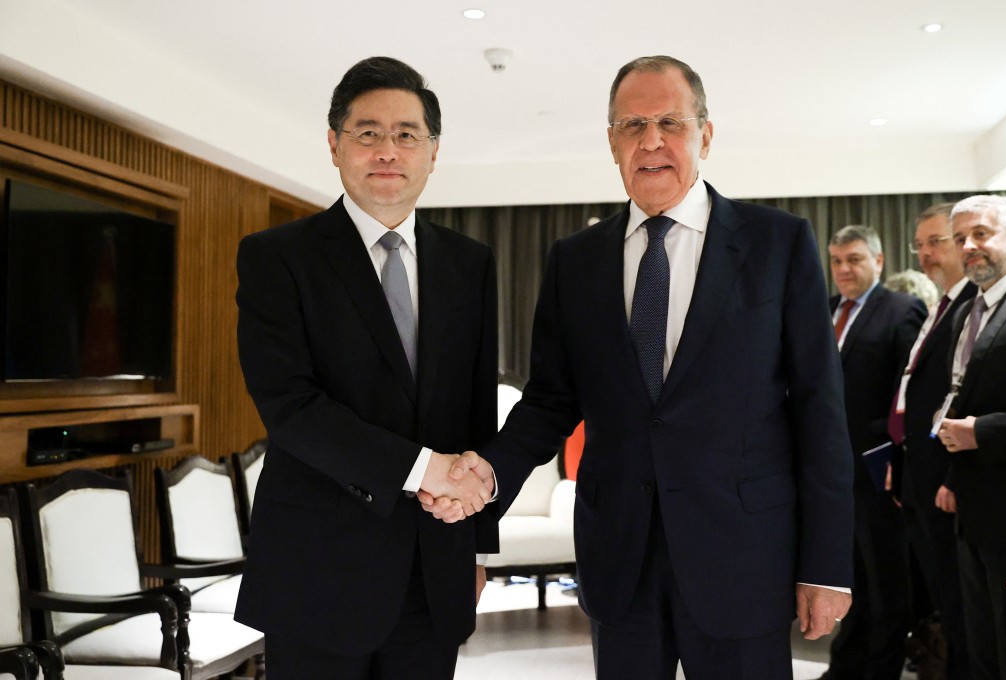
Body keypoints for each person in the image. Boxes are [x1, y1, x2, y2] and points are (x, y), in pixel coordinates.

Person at [424, 55, 854, 680]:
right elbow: (548, 401)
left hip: (742, 556)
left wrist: (825, 564)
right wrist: (484, 477)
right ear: (611, 142)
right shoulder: (575, 261)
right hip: (619, 557)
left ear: (705, 135)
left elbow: (821, 407)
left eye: (670, 122)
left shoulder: (777, 243)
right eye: (632, 125)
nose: (651, 141)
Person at [234, 56, 499, 680]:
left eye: (408, 134)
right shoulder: (277, 257)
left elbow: (473, 409)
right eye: (367, 132)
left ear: (432, 152)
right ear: (334, 145)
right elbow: (290, 406)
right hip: (318, 573)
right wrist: (422, 468)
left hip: (435, 568)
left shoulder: (470, 263)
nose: (389, 150)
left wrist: (479, 543)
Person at [823, 225, 927, 680]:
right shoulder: (823, 311)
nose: (845, 269)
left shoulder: (902, 309)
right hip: (829, 474)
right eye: (838, 261)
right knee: (848, 580)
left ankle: (881, 671)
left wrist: (895, 459)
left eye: (855, 259)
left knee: (886, 581)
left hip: (877, 468)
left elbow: (910, 396)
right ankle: (846, 666)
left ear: (879, 262)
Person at [889, 203, 976, 680]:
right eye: (918, 245)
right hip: (919, 477)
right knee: (945, 600)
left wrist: (949, 475)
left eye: (935, 242)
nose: (924, 254)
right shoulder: (941, 306)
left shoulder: (971, 306)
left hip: (946, 482)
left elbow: (963, 397)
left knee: (962, 610)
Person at [936, 194, 1006, 680]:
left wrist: (983, 434)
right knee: (983, 649)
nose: (969, 246)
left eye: (981, 234)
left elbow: (980, 419)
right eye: (960, 238)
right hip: (973, 509)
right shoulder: (970, 307)